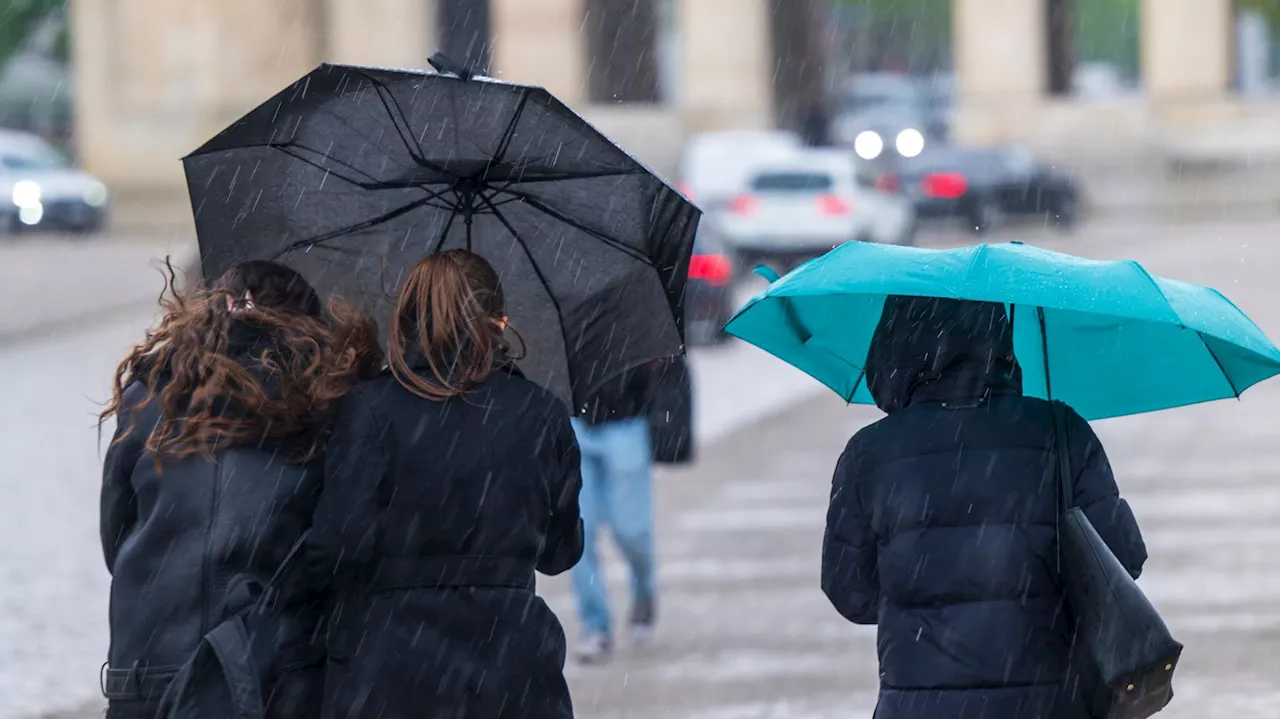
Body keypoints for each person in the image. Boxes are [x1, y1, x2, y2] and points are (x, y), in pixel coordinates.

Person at [820, 296, 1148, 719]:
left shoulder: (868, 454)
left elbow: (849, 590)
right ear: (1001, 342)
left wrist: (922, 603)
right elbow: (1122, 561)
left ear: (892, 348)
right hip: (1049, 705)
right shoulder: (1059, 433)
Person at [98, 260, 381, 719]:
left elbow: (116, 536)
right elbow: (337, 547)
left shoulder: (147, 395)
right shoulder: (322, 405)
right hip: (263, 671)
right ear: (308, 326)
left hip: (146, 670)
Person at [310, 249, 583, 719]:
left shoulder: (371, 409)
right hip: (511, 667)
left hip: (393, 662)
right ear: (499, 321)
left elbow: (341, 543)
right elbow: (560, 554)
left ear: (407, 318)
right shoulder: (541, 412)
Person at [570, 362, 661, 664]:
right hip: (573, 426)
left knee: (632, 531)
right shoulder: (552, 314)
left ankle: (644, 592)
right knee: (579, 534)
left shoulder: (636, 315)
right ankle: (595, 624)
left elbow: (666, 363)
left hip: (626, 422)